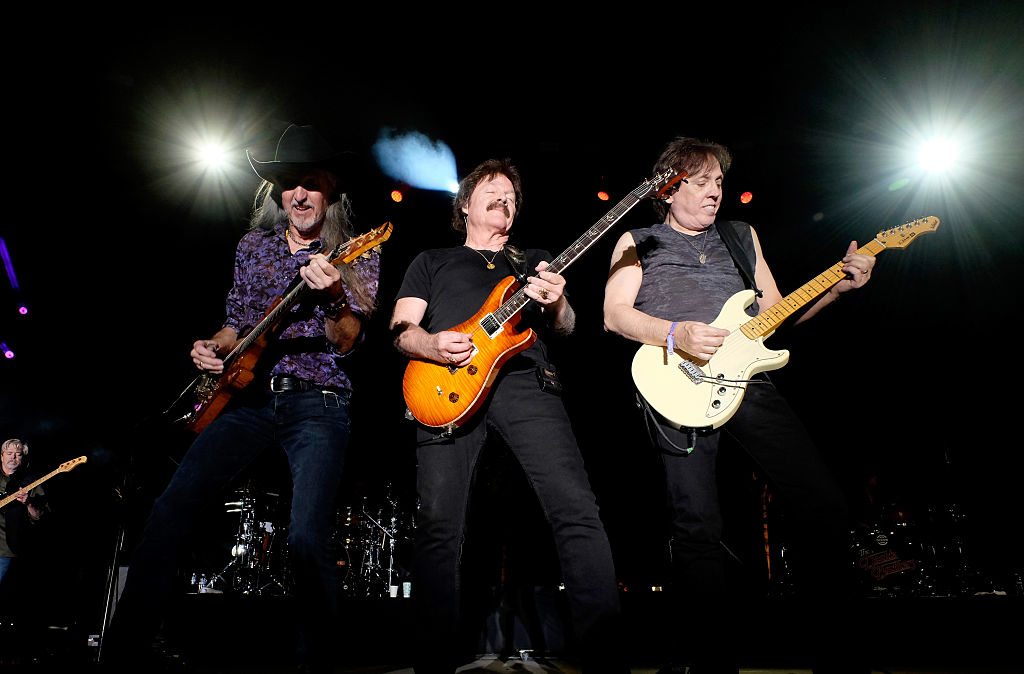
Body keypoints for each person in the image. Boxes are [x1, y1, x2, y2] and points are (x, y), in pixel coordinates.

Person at [104, 125, 380, 673]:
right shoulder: (253, 246)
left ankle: (318, 663)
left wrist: (331, 297)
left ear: (330, 191)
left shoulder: (355, 254)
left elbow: (348, 340)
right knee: (169, 511)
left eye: (308, 184)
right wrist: (212, 347)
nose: (297, 196)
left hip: (318, 401)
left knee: (306, 538)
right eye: (286, 186)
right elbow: (237, 325)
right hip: (247, 400)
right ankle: (121, 655)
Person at [603, 137, 875, 673]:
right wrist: (674, 332)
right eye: (701, 182)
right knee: (696, 525)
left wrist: (837, 289)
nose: (714, 193)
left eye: (719, 183)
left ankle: (838, 655)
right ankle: (702, 659)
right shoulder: (637, 239)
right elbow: (614, 315)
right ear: (668, 187)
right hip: (676, 382)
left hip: (748, 381)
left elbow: (777, 314)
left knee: (824, 504)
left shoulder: (741, 236)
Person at [390, 158, 625, 673]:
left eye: (512, 196)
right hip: (444, 384)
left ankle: (607, 659)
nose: (504, 198)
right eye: (492, 191)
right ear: (465, 205)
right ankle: (431, 662)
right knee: (438, 526)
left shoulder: (535, 261)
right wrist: (431, 342)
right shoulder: (431, 260)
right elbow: (400, 329)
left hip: (525, 381)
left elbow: (564, 329)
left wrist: (559, 303)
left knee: (576, 510)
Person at [0, 439, 46, 590]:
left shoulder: (30, 482)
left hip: (5, 550)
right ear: (2, 456)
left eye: (18, 454)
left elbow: (39, 517)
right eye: (9, 453)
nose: (13, 457)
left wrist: (28, 502)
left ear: (22, 458)